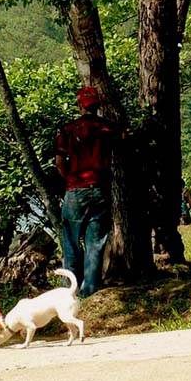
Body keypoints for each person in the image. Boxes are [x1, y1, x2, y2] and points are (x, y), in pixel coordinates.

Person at [55, 86, 115, 297]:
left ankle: (68, 293)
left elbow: (60, 161)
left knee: (71, 241)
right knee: (95, 242)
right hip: (100, 188)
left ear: (80, 105)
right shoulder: (107, 129)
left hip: (75, 189)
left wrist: (70, 179)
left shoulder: (68, 130)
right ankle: (89, 289)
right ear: (98, 106)